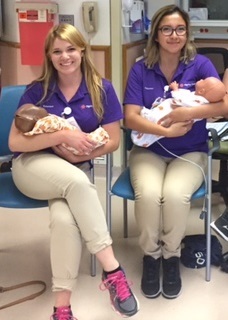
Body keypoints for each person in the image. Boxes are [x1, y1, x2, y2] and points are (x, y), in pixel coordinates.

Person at [8, 23, 139, 320]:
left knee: (65, 221)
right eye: (57, 51)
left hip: (72, 171)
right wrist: (62, 137)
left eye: (70, 49)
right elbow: (15, 141)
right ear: (49, 56)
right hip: (30, 167)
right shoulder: (37, 90)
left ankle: (61, 309)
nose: (64, 56)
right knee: (79, 183)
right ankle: (112, 270)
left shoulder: (101, 88)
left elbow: (114, 140)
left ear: (82, 50)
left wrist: (85, 150)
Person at [123, 4, 228, 300]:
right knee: (149, 194)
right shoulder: (140, 69)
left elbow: (224, 105)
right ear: (156, 34)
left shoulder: (201, 65)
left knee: (174, 195)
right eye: (167, 29)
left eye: (180, 29)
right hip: (149, 150)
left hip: (191, 151)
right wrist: (166, 130)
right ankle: (151, 256)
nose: (174, 35)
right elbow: (130, 117)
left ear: (187, 33)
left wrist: (189, 112)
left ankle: (170, 257)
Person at [131, 77, 227, 147]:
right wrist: (168, 132)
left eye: (204, 81)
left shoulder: (199, 101)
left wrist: (176, 90)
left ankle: (148, 119)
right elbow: (130, 118)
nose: (201, 79)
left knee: (158, 119)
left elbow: (180, 100)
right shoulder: (198, 98)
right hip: (155, 149)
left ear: (202, 91)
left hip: (187, 145)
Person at [14, 103, 110, 155]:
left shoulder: (104, 88)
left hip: (78, 157)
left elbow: (114, 140)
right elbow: (14, 143)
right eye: (35, 108)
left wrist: (76, 159)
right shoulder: (44, 123)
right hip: (38, 158)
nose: (38, 108)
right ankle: (101, 136)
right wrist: (63, 136)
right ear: (37, 119)